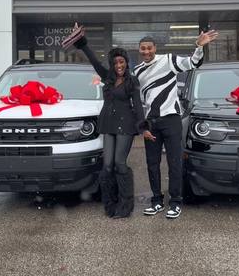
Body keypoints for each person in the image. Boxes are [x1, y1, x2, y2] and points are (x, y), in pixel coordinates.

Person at [63, 24, 148, 219]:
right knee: (107, 165)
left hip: (125, 126)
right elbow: (93, 60)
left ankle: (125, 206)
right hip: (108, 124)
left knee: (120, 163)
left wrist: (142, 125)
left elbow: (137, 104)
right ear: (112, 64)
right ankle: (110, 203)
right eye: (116, 63)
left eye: (122, 62)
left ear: (126, 62)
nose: (119, 66)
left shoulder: (132, 81)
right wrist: (82, 43)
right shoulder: (107, 77)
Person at [133, 30, 218, 219]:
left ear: (155, 48)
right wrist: (143, 126)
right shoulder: (137, 71)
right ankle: (156, 201)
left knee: (175, 163)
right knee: (152, 164)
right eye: (143, 49)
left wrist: (199, 46)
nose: (146, 51)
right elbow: (138, 102)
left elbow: (193, 63)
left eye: (149, 48)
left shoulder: (169, 60)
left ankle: (176, 202)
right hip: (152, 123)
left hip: (171, 120)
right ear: (139, 50)